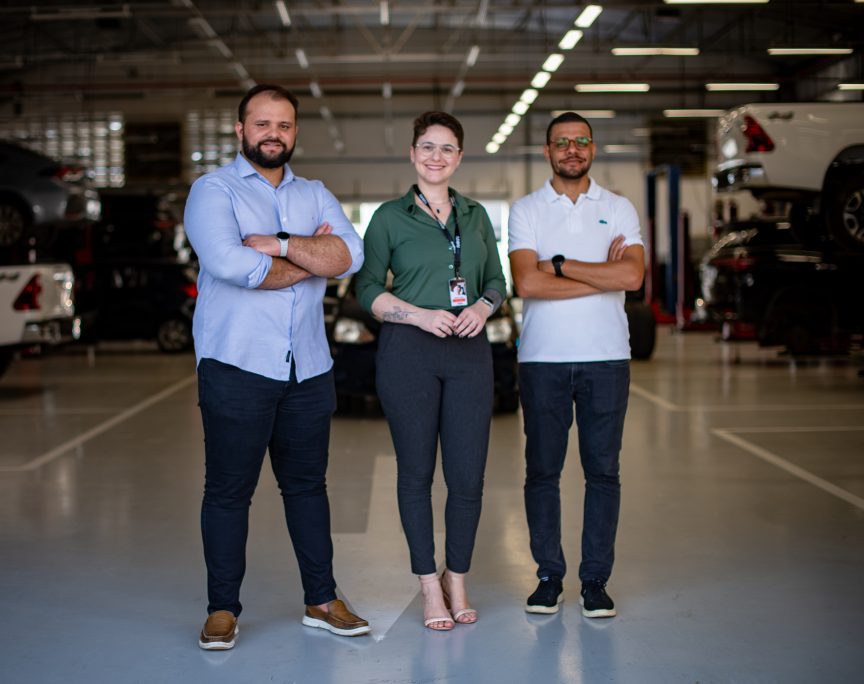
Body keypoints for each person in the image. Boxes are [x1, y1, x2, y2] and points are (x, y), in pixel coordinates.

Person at [184, 84, 369, 650]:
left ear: (294, 132)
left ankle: (322, 599)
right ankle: (222, 608)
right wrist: (312, 258)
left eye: (284, 125)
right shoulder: (213, 190)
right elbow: (230, 264)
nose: (273, 134)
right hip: (236, 366)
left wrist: (280, 243)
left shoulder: (314, 192)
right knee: (228, 492)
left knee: (308, 487)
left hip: (307, 368)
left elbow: (352, 255)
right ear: (241, 129)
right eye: (262, 123)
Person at [355, 111, 507, 631]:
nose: (435, 156)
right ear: (412, 154)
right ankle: (427, 585)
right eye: (427, 146)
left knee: (467, 476)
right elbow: (366, 288)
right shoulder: (388, 218)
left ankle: (456, 578)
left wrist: (483, 307)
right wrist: (418, 315)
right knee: (416, 474)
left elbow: (496, 281)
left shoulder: (477, 215)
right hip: (408, 354)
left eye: (446, 148)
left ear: (459, 158)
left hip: (469, 353)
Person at [507, 112, 645, 619]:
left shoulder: (619, 207)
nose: (572, 149)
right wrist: (602, 274)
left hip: (607, 359)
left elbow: (633, 278)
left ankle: (595, 582)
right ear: (547, 151)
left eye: (580, 141)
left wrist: (561, 266)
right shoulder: (526, 210)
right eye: (562, 142)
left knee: (603, 472)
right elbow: (527, 283)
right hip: (542, 360)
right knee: (542, 471)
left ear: (593, 148)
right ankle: (548, 577)